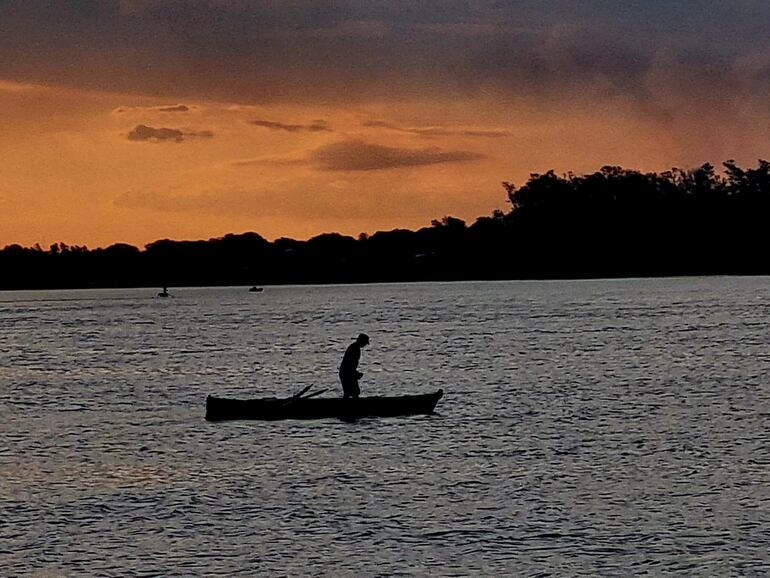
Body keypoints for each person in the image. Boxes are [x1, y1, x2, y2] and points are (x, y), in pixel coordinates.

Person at [339, 333, 369, 398]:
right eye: (365, 343)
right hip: (347, 373)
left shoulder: (354, 347)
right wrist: (355, 374)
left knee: (350, 392)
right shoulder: (355, 349)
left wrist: (355, 373)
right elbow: (350, 364)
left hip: (346, 372)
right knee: (354, 392)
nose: (365, 345)